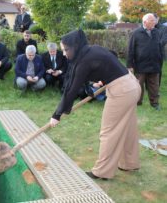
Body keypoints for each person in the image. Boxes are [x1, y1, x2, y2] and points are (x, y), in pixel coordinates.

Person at [50, 29, 141, 180]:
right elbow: (111, 57)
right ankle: (130, 163)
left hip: (122, 92)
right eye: (63, 50)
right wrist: (104, 79)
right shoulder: (93, 49)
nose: (65, 54)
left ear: (76, 46)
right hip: (131, 83)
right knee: (128, 127)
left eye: (66, 50)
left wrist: (56, 115)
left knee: (109, 131)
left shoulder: (84, 61)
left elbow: (71, 89)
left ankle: (102, 171)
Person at [127, 13, 163, 110]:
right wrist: (130, 65)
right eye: (152, 21)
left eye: (154, 21)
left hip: (154, 64)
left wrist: (160, 60)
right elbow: (130, 50)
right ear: (145, 22)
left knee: (154, 86)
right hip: (140, 65)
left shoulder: (157, 32)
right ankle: (138, 102)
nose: (154, 22)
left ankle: (155, 103)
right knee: (138, 85)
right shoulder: (136, 33)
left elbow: (159, 47)